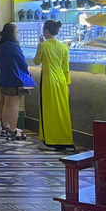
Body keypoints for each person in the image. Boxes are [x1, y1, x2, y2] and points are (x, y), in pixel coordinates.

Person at [34, 20, 75, 152]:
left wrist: (39, 45)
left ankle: (50, 141)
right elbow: (66, 68)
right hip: (62, 81)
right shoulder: (64, 47)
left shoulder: (43, 46)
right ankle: (66, 141)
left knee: (48, 111)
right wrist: (67, 84)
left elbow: (36, 61)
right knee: (63, 112)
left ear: (46, 31)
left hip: (48, 81)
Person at [0, 23, 34, 141]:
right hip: (16, 77)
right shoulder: (13, 46)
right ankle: (13, 130)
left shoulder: (2, 46)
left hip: (6, 77)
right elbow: (22, 62)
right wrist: (28, 72)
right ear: (11, 33)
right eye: (16, 32)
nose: (18, 34)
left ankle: (5, 128)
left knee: (7, 103)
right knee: (15, 104)